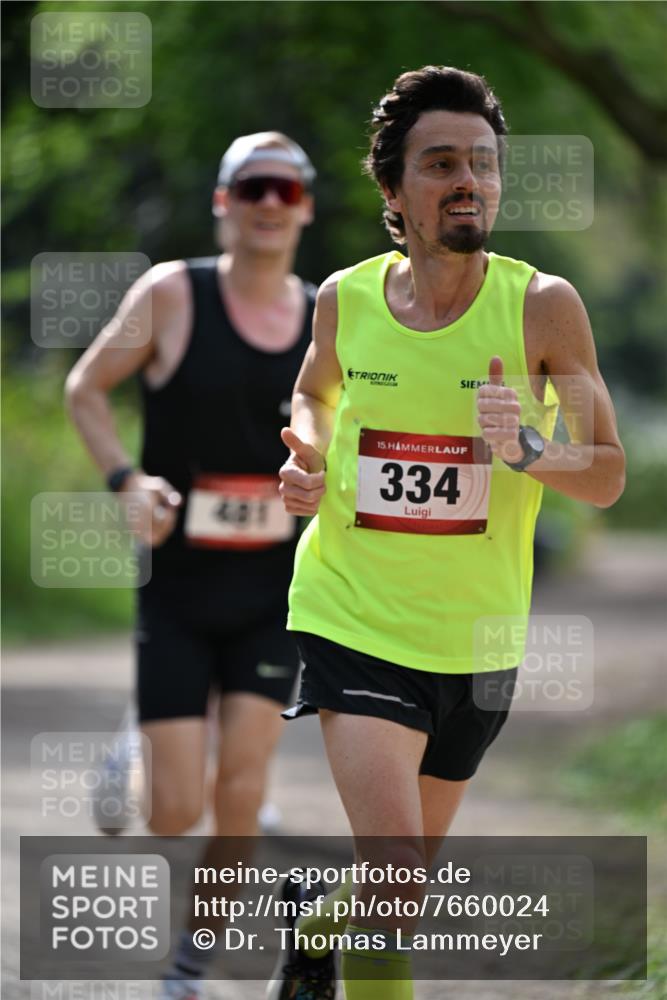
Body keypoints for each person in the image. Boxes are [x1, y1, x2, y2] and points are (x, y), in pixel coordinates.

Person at [275, 66, 625, 1000]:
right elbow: (314, 390)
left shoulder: (543, 306)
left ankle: (313, 932)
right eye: (440, 163)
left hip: (476, 642)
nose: (467, 179)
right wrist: (306, 451)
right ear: (393, 190)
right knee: (393, 881)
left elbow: (606, 473)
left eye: (482, 162)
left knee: (399, 888)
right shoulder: (342, 301)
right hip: (351, 613)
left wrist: (529, 449)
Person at [65, 131, 319, 998]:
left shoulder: (328, 317)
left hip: (270, 595)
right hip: (175, 589)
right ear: (225, 201)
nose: (268, 204)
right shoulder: (171, 295)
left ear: (306, 208)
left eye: (286, 190)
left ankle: (189, 964)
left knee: (241, 792)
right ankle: (137, 747)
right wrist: (125, 479)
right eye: (252, 187)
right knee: (175, 811)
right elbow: (85, 389)